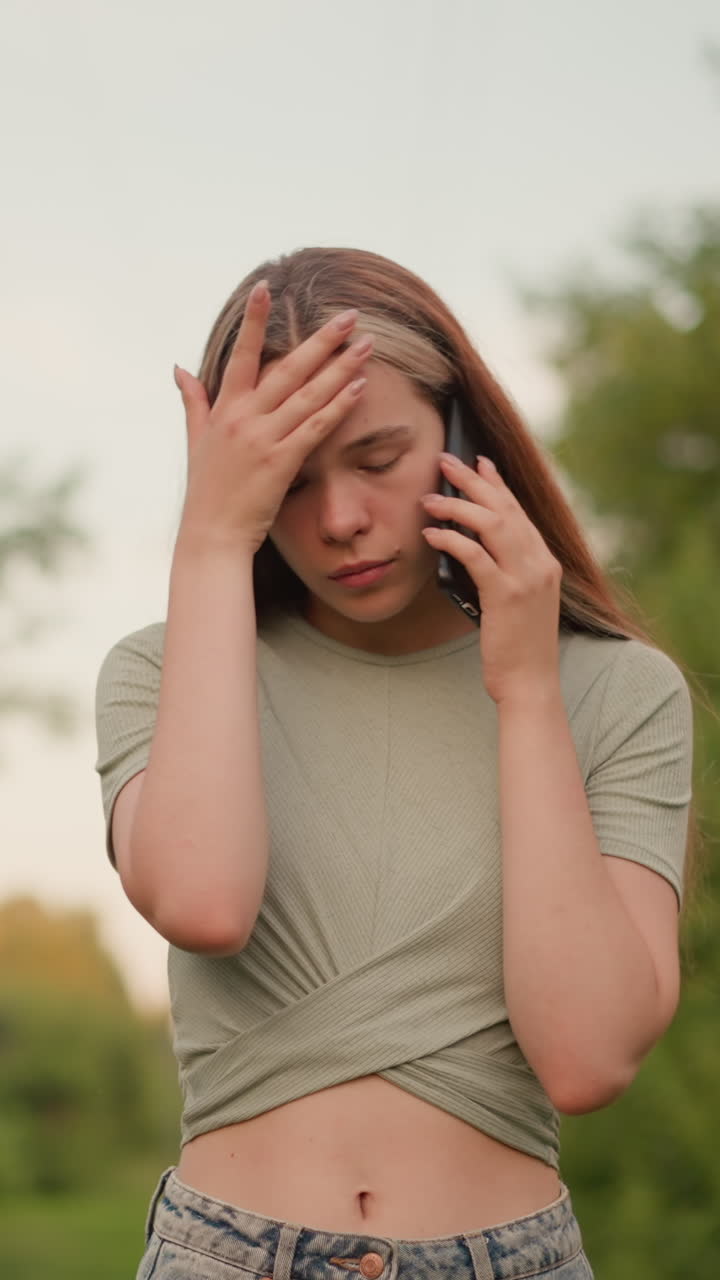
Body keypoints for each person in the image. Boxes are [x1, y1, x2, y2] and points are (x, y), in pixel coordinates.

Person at [94, 246, 694, 1280]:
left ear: (464, 437)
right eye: (287, 480)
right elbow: (203, 896)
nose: (337, 521)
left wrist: (528, 691)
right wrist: (208, 546)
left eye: (377, 458)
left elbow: (589, 1054)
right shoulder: (161, 672)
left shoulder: (619, 691)